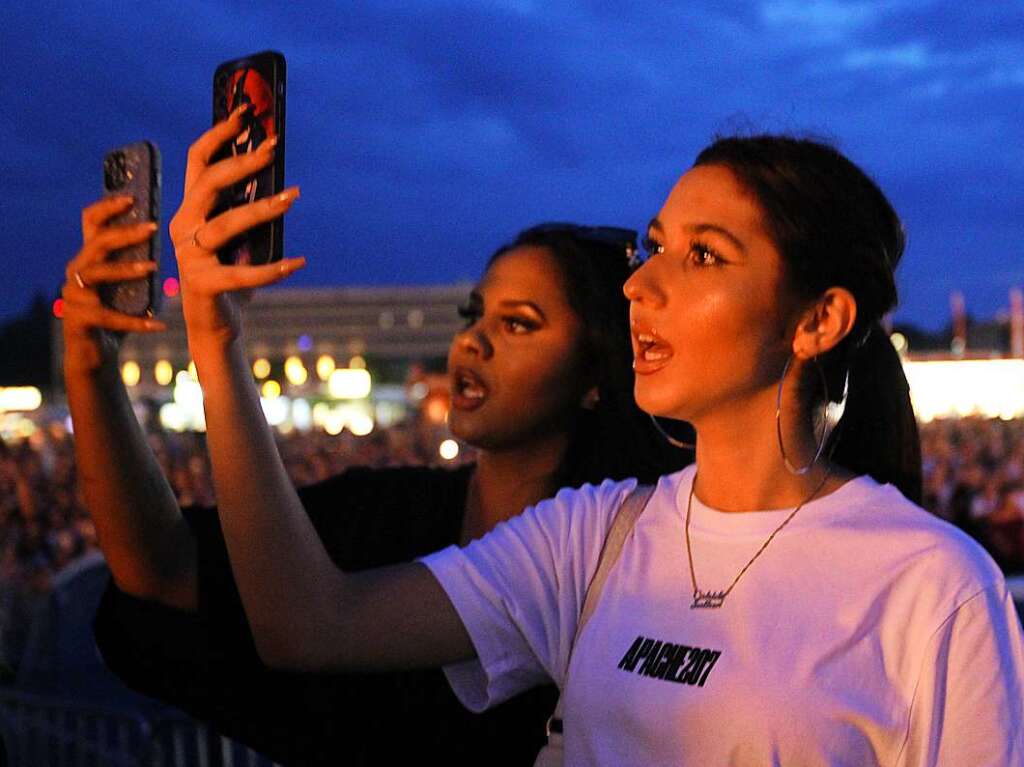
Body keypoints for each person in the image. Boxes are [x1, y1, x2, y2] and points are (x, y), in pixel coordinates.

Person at [158, 120, 1024, 765]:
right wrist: (215, 340)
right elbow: (309, 624)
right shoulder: (594, 539)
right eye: (653, 247)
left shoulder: (931, 587)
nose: (642, 283)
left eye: (705, 256)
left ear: (817, 319)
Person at [62, 116, 690, 764]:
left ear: (596, 374)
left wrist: (219, 340)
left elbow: (305, 627)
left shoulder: (628, 556)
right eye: (473, 315)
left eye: (519, 324)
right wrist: (90, 366)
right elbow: (163, 571)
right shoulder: (383, 514)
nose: (472, 341)